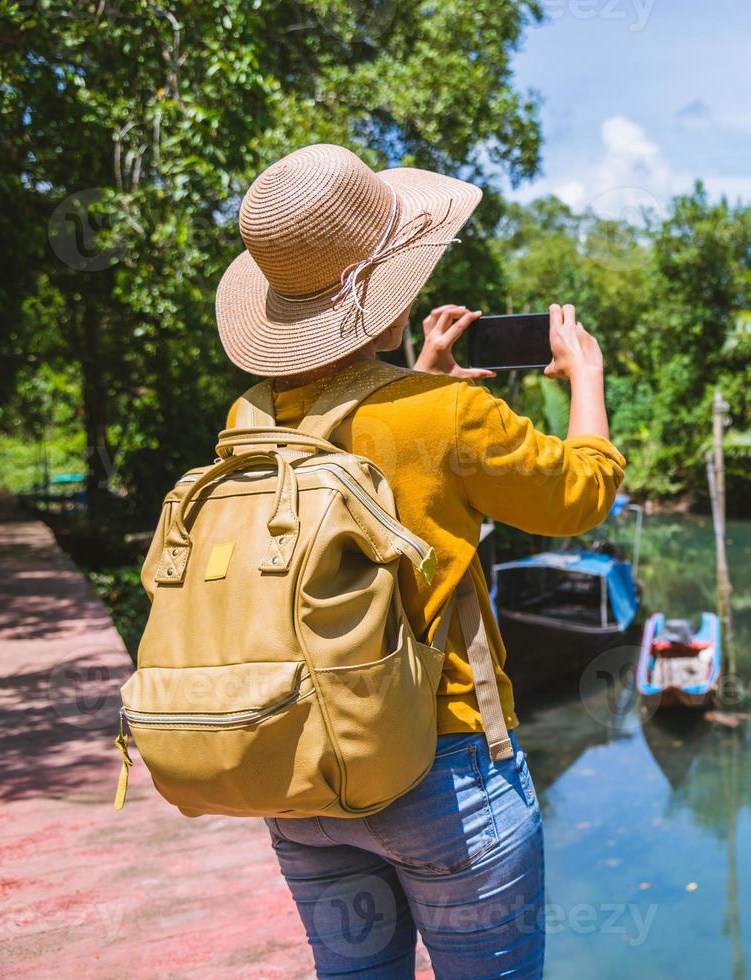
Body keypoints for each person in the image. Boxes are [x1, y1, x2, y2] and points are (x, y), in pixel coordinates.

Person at [213, 143, 625, 978]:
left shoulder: (249, 415)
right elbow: (582, 495)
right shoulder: (447, 414)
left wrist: (414, 378)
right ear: (391, 296)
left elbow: (359, 457)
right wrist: (586, 377)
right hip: (441, 767)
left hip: (297, 768)